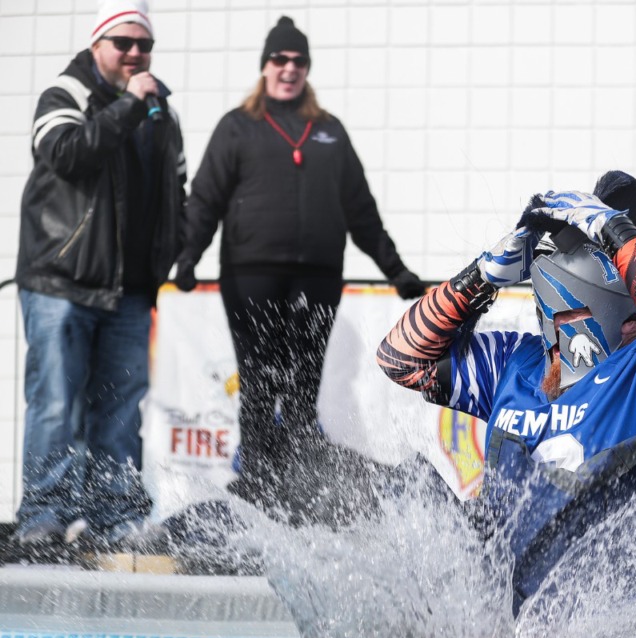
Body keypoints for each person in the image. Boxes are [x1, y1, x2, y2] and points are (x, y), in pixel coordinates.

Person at [378, 171, 636, 609]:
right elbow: (401, 358)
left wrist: (611, 227)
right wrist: (481, 276)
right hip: (511, 618)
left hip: (616, 621)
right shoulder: (515, 363)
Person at [175, 16, 426, 515]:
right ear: (264, 66)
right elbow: (205, 199)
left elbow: (360, 207)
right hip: (252, 276)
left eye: (297, 61)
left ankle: (294, 488)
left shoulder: (327, 131)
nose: (288, 69)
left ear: (306, 69)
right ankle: (256, 487)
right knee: (259, 379)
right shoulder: (237, 127)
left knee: (302, 384)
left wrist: (396, 270)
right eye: (279, 60)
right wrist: (188, 256)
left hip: (316, 278)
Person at [13, 0, 185, 553]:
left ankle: (116, 517)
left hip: (130, 292)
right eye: (124, 43)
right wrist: (129, 107)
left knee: (119, 407)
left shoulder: (163, 114)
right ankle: (45, 515)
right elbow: (67, 155)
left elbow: (176, 189)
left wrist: (171, 251)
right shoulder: (64, 96)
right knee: (57, 402)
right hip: (61, 282)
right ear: (97, 47)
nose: (136, 54)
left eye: (145, 45)